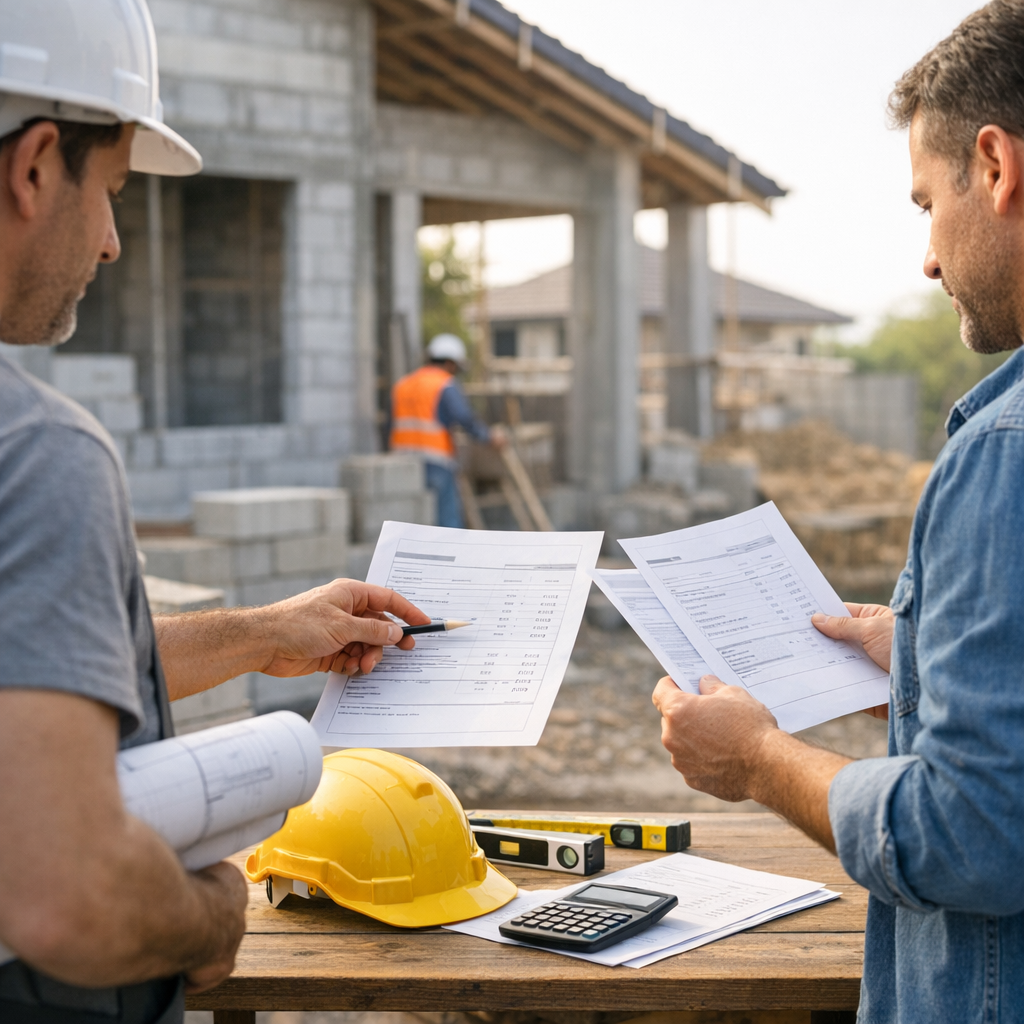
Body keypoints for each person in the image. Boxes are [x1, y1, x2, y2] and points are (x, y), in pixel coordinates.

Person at [0, 4, 429, 1022]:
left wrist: (262, 634)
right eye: (109, 193)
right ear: (34, 167)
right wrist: (206, 916)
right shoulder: (37, 453)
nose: (109, 242)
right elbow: (71, 899)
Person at [651, 3, 1024, 1021]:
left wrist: (758, 757)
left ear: (993, 166)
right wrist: (917, 657)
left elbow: (973, 829)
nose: (929, 260)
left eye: (923, 204)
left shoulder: (1002, 450)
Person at [389, 333, 504, 528]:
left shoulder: (403, 384)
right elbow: (464, 418)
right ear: (450, 363)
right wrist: (488, 437)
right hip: (436, 462)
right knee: (447, 523)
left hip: (402, 464)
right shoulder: (444, 384)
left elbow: (389, 426)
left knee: (412, 523)